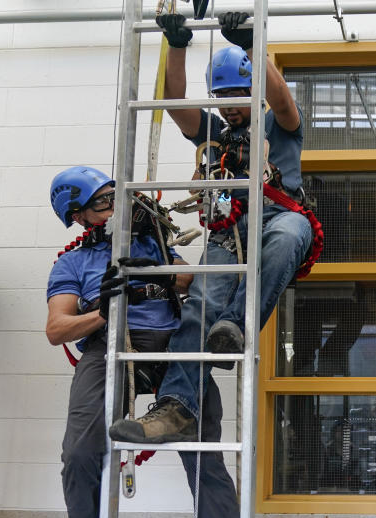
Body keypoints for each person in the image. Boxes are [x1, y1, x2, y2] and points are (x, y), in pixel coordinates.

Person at [46, 166, 242, 518]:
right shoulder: (73, 264)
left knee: (204, 453)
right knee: (78, 452)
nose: (114, 207)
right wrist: (102, 307)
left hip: (173, 347)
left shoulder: (156, 241)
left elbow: (198, 285)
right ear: (79, 217)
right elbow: (57, 329)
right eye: (102, 203)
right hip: (111, 347)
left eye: (116, 196)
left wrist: (163, 270)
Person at [109, 11, 311, 443]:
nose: (229, 104)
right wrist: (177, 48)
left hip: (280, 216)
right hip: (228, 232)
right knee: (200, 304)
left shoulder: (279, 126)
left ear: (253, 88)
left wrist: (255, 47)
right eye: (221, 96)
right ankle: (176, 406)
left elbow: (281, 100)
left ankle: (234, 329)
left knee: (286, 237)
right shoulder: (215, 132)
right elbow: (175, 102)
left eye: (238, 94)